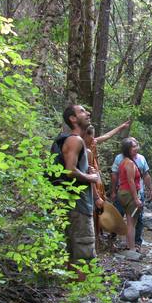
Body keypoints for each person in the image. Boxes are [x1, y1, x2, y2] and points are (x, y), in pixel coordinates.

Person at [59, 105, 103, 274]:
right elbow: (70, 170)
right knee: (83, 255)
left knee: (75, 252)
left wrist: (86, 172)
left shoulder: (76, 141)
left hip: (77, 205)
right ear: (73, 119)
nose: (88, 113)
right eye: (83, 111)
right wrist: (91, 178)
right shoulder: (75, 140)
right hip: (79, 206)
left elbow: (74, 169)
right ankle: (81, 297)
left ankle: (75, 294)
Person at [84, 121, 130, 240]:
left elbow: (107, 136)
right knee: (96, 203)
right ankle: (94, 233)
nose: (94, 139)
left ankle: (99, 231)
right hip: (90, 177)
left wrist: (121, 127)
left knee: (100, 203)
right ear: (85, 136)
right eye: (92, 136)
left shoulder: (92, 143)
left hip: (96, 177)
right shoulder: (82, 149)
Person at [110, 137, 152, 247]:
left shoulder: (141, 158)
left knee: (138, 220)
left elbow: (146, 174)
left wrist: (151, 190)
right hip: (129, 193)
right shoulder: (122, 160)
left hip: (137, 192)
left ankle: (136, 243)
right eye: (133, 146)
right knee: (121, 217)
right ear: (127, 149)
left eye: (137, 145)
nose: (137, 148)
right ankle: (122, 243)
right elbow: (116, 176)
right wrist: (113, 191)